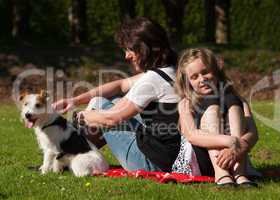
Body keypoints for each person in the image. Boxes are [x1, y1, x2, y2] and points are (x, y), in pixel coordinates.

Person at [52, 17, 181, 172]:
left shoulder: (152, 79)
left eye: (129, 49)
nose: (126, 56)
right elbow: (120, 85)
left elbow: (110, 119)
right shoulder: (173, 70)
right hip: (171, 158)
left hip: (150, 164)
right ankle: (72, 153)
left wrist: (80, 116)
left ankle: (69, 154)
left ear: (145, 48)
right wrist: (75, 100)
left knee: (99, 103)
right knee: (110, 101)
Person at [173, 48, 259, 187]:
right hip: (200, 162)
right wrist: (230, 141)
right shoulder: (186, 103)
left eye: (206, 72)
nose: (202, 79)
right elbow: (192, 135)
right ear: (188, 82)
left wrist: (237, 148)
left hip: (235, 157)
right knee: (213, 109)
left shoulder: (236, 99)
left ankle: (239, 174)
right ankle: (222, 174)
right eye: (195, 77)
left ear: (216, 71)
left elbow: (253, 132)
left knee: (233, 104)